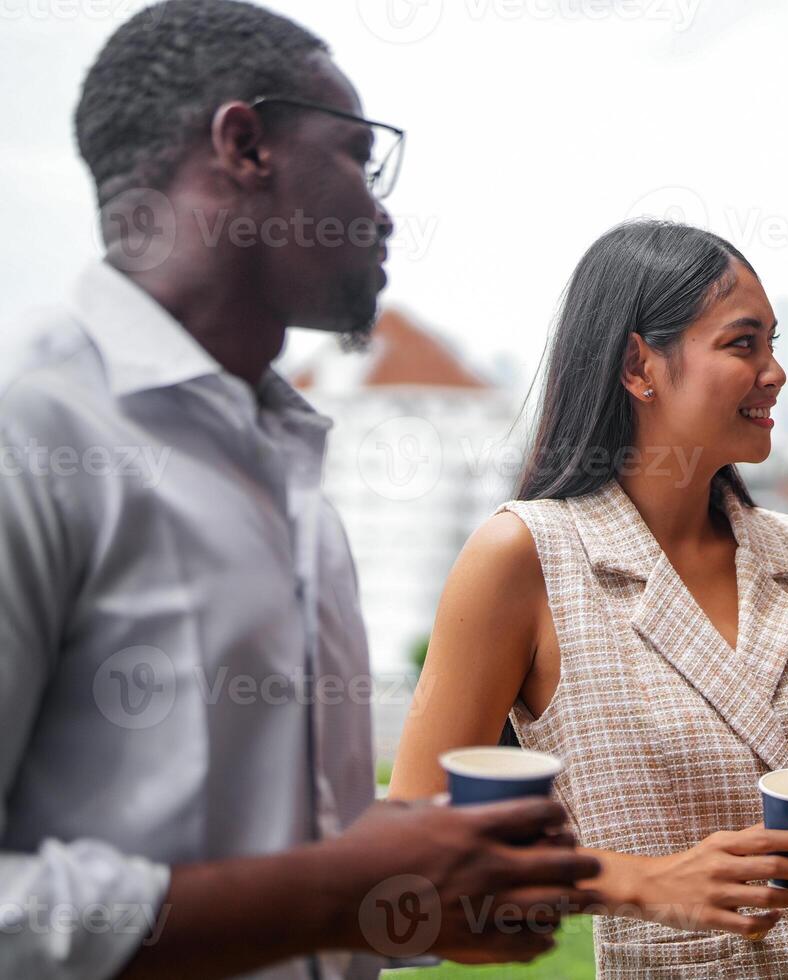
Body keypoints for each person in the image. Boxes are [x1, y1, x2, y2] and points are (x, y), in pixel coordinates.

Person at [0, 3, 600, 977]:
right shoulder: (30, 431)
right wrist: (338, 891)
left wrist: (427, 888)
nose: (383, 207)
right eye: (359, 155)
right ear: (244, 144)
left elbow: (317, 890)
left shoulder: (295, 484)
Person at [389, 220, 788, 977]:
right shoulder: (526, 557)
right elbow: (414, 853)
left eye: (774, 344)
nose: (776, 372)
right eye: (744, 343)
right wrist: (642, 882)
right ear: (637, 362)